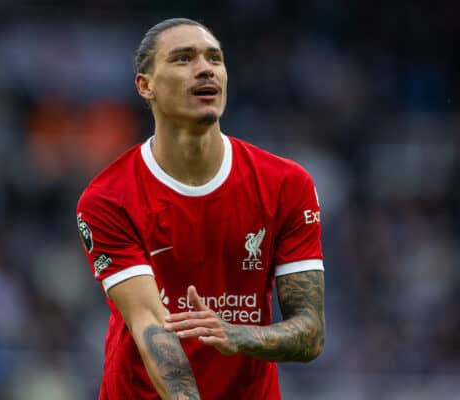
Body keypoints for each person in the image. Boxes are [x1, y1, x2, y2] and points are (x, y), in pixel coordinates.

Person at [76, 17, 325, 400]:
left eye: (215, 58)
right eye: (183, 58)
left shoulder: (286, 185)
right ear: (146, 86)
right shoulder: (108, 198)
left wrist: (238, 334)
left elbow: (310, 333)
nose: (205, 68)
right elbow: (152, 329)